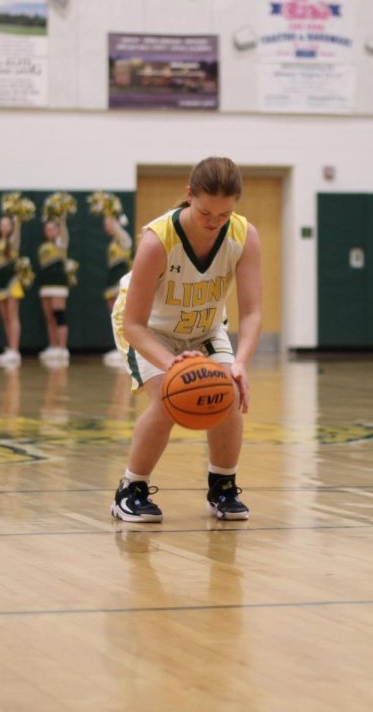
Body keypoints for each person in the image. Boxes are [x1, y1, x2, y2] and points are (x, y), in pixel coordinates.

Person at [109, 156, 262, 522]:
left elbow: (253, 311)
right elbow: (134, 324)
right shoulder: (158, 240)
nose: (214, 222)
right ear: (189, 195)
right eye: (206, 212)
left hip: (206, 327)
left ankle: (222, 487)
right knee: (167, 399)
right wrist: (170, 364)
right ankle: (131, 489)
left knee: (228, 393)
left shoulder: (244, 236)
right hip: (151, 330)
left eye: (223, 215)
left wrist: (239, 364)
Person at [36, 215, 71, 365]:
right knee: (49, 316)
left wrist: (62, 220)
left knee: (59, 315)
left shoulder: (60, 242)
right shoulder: (43, 246)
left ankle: (62, 348)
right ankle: (53, 346)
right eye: (47, 229)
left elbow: (64, 236)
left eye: (52, 228)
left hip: (58, 284)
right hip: (46, 284)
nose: (50, 231)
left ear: (57, 230)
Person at [102, 212, 134, 367]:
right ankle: (119, 347)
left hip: (120, 281)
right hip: (111, 280)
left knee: (122, 314)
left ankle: (126, 348)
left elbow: (123, 236)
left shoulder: (124, 239)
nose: (106, 225)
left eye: (108, 222)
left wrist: (110, 209)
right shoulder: (114, 241)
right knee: (114, 315)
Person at [0, 213, 24, 367]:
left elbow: (16, 237)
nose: (4, 227)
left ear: (11, 227)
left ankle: (14, 350)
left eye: (7, 224)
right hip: (0, 282)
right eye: (2, 224)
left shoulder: (13, 241)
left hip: (12, 281)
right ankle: (9, 348)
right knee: (5, 318)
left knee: (13, 316)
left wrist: (17, 221)